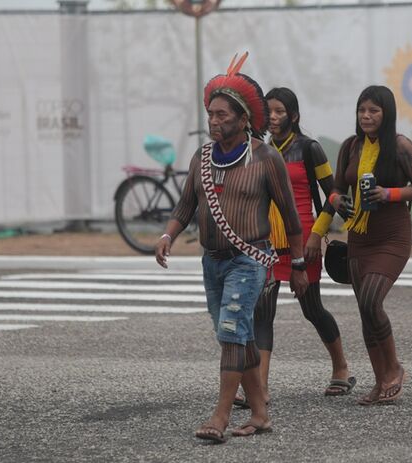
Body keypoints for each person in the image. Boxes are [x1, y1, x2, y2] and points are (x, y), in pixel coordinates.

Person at [154, 53, 308, 443]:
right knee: (237, 336)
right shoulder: (201, 158)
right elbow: (186, 205)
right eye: (211, 114)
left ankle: (220, 417)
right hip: (212, 262)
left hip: (249, 260)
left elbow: (291, 218)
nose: (214, 121)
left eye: (223, 115)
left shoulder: (265, 157)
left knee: (231, 332)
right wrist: (168, 235)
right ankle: (260, 413)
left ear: (243, 120)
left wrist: (301, 264)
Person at [249, 87, 354, 403]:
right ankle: (260, 388)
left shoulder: (310, 149)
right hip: (268, 241)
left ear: (293, 115)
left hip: (303, 240)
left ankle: (342, 368)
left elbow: (332, 195)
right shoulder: (261, 150)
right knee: (262, 313)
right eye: (269, 112)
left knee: (312, 309)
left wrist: (315, 236)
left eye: (280, 111)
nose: (274, 117)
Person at [328, 85, 412, 405]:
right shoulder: (350, 147)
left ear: (387, 114)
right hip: (360, 236)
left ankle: (394, 368)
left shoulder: (401, 147)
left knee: (372, 301)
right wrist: (338, 202)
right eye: (362, 110)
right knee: (365, 311)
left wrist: (390, 194)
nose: (366, 116)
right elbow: (333, 190)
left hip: (391, 236)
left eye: (373, 110)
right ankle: (379, 381)